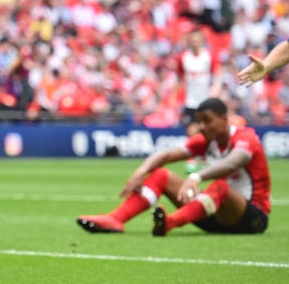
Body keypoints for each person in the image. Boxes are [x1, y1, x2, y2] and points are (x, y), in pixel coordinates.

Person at [77, 98, 270, 236]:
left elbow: (232, 163)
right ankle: (115, 219)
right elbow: (166, 155)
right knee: (160, 175)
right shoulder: (206, 140)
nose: (202, 126)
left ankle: (171, 222)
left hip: (252, 219)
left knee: (221, 186)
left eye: (207, 120)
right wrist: (140, 172)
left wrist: (195, 177)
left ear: (224, 119)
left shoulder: (246, 138)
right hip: (215, 214)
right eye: (199, 121)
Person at [178, 31, 222, 137]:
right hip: (189, 100)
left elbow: (218, 74)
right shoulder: (183, 57)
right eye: (193, 40)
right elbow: (179, 77)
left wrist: (216, 89)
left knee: (206, 128)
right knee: (191, 130)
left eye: (197, 40)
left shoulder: (209, 56)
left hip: (205, 99)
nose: (195, 42)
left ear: (202, 41)